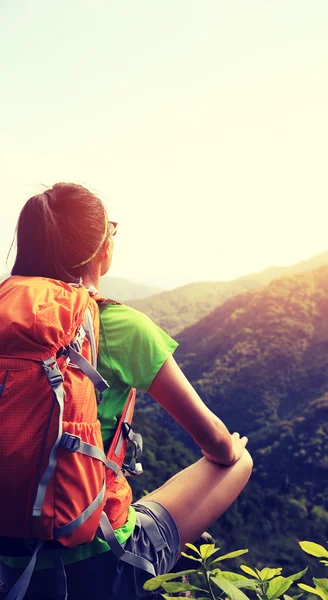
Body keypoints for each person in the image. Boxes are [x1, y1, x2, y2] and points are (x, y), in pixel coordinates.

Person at [0, 183, 253, 600]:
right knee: (238, 462)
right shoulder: (122, 326)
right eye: (111, 231)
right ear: (101, 248)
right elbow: (216, 442)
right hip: (101, 557)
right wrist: (231, 446)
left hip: (10, 555)